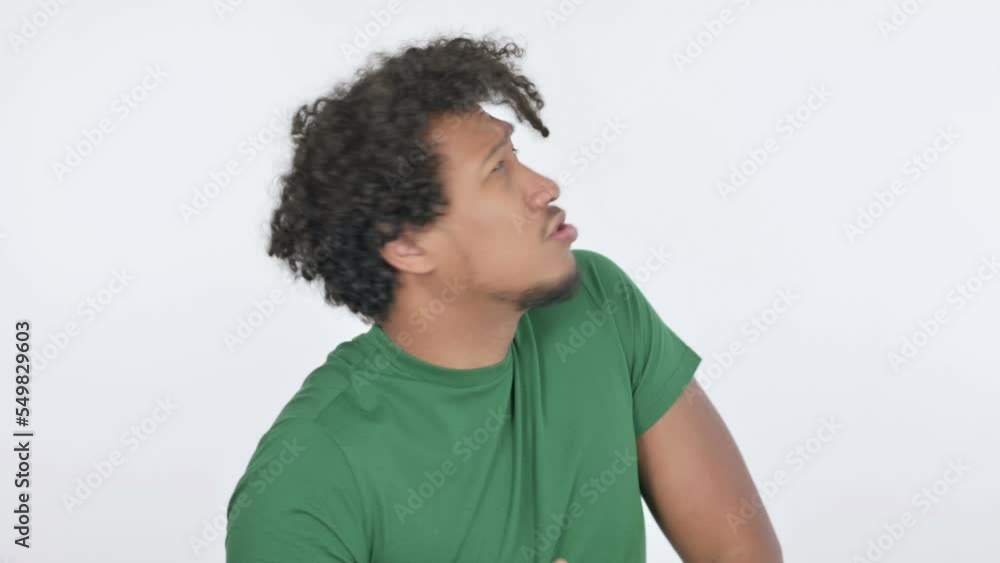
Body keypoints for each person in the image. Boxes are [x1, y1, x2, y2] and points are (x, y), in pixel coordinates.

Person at [225, 34, 782, 563]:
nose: (545, 188)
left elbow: (739, 552)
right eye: (497, 170)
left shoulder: (600, 307)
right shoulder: (305, 479)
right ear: (409, 245)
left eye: (516, 155)